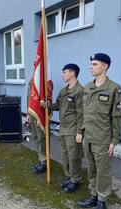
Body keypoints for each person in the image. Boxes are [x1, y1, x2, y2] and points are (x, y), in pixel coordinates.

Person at [78, 53, 121, 209]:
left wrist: (114, 140)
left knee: (103, 171)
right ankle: (93, 194)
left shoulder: (114, 88)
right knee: (91, 168)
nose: (91, 67)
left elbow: (118, 117)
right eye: (91, 64)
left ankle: (102, 200)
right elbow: (84, 112)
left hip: (103, 139)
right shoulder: (88, 87)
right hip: (89, 137)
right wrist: (80, 132)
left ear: (105, 66)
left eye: (95, 64)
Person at [47, 63, 84, 192]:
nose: (62, 75)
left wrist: (80, 132)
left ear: (72, 73)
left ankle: (75, 180)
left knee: (74, 156)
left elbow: (81, 114)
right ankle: (69, 176)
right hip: (63, 128)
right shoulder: (64, 91)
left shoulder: (79, 91)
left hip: (73, 130)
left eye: (64, 72)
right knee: (64, 155)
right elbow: (58, 105)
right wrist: (47, 105)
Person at [27, 77, 47, 174]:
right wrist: (28, 113)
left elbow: (45, 100)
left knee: (41, 138)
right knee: (35, 137)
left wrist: (41, 118)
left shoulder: (44, 80)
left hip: (39, 115)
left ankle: (44, 162)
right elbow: (29, 97)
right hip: (32, 113)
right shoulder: (33, 79)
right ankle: (40, 158)